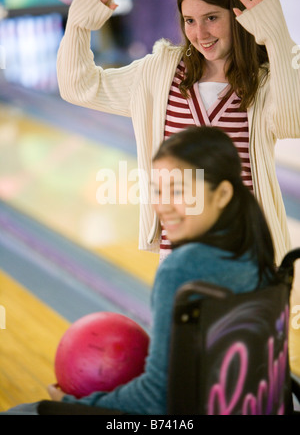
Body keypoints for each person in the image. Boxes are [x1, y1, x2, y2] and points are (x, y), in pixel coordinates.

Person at [0, 126, 280, 415]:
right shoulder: (255, 254)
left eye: (179, 191)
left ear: (221, 194)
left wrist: (73, 407)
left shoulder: (182, 268)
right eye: (158, 191)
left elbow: (154, 400)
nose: (163, 206)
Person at [56, 0, 300, 266]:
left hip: (247, 256)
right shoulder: (159, 73)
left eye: (211, 18)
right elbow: (78, 87)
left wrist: (278, 39)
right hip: (180, 257)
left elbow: (293, 122)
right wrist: (78, 24)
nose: (200, 33)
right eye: (190, 21)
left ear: (237, 16)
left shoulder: (263, 81)